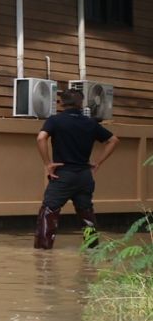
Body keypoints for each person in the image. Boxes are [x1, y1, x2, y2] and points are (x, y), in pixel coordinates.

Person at [34, 88, 120, 249]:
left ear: (61, 103)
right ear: (81, 104)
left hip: (63, 175)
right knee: (86, 213)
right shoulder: (91, 123)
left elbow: (41, 138)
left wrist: (48, 163)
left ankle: (43, 254)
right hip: (84, 176)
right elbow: (113, 140)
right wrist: (98, 162)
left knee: (49, 211)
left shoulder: (55, 120)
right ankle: (92, 249)